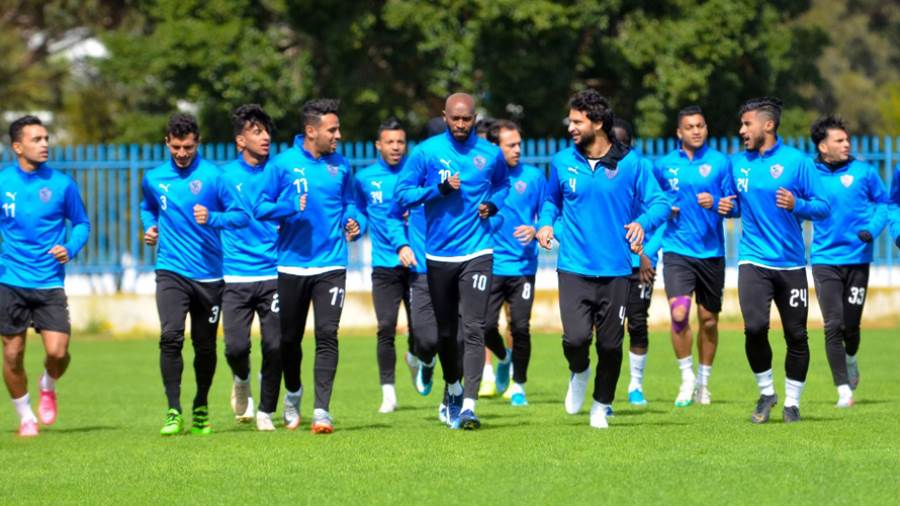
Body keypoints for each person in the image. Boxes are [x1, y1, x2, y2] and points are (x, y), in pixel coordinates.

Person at [536, 89, 668, 429]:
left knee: (610, 345)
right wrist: (545, 224)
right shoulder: (562, 161)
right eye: (570, 121)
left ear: (597, 123)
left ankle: (601, 405)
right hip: (573, 268)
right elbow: (551, 202)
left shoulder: (632, 164)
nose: (570, 128)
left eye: (577, 122)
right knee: (576, 339)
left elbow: (660, 203)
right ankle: (579, 371)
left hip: (616, 271)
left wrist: (642, 223)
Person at [394, 92, 509, 430]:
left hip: (478, 251)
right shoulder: (426, 152)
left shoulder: (490, 154)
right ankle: (453, 389)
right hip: (439, 255)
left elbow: (503, 185)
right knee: (446, 334)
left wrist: (493, 205)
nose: (461, 124)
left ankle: (469, 406)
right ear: (445, 117)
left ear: (475, 118)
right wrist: (438, 190)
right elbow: (402, 194)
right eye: (455, 118)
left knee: (473, 327)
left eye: (467, 119)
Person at [254, 98, 362, 434]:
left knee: (328, 335)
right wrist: (288, 206)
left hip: (331, 264)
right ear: (311, 131)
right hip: (292, 266)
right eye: (333, 130)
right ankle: (293, 392)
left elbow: (351, 203)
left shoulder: (341, 165)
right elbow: (260, 208)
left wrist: (354, 221)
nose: (338, 135)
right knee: (289, 341)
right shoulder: (282, 165)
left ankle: (321, 412)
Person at [718, 97, 829, 424]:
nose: (741, 130)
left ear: (768, 125)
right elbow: (735, 203)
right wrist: (726, 207)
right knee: (754, 328)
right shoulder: (736, 163)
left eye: (746, 124)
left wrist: (798, 205)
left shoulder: (798, 162)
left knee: (796, 335)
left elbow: (823, 207)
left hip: (791, 263)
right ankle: (766, 392)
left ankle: (792, 403)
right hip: (753, 260)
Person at [141, 113, 249, 436]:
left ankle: (200, 404)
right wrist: (150, 227)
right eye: (176, 147)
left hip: (209, 277)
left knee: (204, 346)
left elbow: (241, 216)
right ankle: (173, 410)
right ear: (167, 143)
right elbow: (148, 207)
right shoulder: (154, 178)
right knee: (170, 337)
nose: (182, 153)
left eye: (188, 147)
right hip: (171, 270)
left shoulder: (215, 177)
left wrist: (213, 217)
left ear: (197, 143)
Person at [0, 115, 90, 437]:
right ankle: (26, 416)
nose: (44, 144)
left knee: (57, 353)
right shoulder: (3, 183)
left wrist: (70, 247)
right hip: (10, 280)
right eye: (36, 139)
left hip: (49, 280)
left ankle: (48, 384)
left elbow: (82, 223)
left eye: (46, 139)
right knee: (13, 354)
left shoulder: (62, 184)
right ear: (17, 147)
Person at [653, 106, 733, 407]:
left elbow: (735, 204)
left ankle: (704, 382)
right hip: (677, 250)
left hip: (711, 252)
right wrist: (665, 208)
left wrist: (717, 203)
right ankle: (686, 378)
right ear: (679, 132)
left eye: (700, 125)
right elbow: (650, 200)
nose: (696, 131)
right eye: (690, 127)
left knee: (709, 321)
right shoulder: (663, 165)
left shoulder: (720, 162)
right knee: (678, 315)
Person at [808, 115, 889, 408]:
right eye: (839, 140)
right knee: (833, 324)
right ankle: (843, 390)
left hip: (857, 259)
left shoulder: (864, 172)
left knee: (850, 328)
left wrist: (873, 230)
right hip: (824, 259)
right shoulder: (809, 173)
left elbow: (884, 203)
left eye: (847, 140)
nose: (846, 144)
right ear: (823, 146)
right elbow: (797, 204)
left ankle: (851, 358)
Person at [219, 105, 283, 431]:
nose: (265, 137)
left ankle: (265, 412)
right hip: (235, 275)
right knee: (236, 347)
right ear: (240, 141)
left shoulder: (280, 172)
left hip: (274, 273)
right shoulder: (224, 177)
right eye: (257, 132)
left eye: (267, 131)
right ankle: (241, 379)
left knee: (275, 346)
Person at [353, 118, 419, 413]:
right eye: (390, 142)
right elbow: (359, 210)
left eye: (400, 142)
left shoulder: (416, 175)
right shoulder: (364, 179)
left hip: (417, 265)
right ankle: (388, 393)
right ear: (378, 145)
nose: (395, 147)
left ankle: (415, 357)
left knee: (421, 330)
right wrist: (356, 225)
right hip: (383, 265)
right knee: (385, 327)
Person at [480, 119, 546, 407]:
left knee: (520, 327)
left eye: (519, 144)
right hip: (489, 264)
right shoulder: (482, 177)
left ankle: (518, 385)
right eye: (511, 145)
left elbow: (549, 211)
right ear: (496, 147)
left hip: (522, 267)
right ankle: (503, 358)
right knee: (484, 325)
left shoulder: (533, 177)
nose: (518, 149)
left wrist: (536, 228)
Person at [611, 118, 665, 408]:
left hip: (641, 264)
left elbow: (661, 218)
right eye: (613, 143)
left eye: (623, 144)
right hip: (610, 264)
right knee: (609, 328)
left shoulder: (643, 169)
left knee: (638, 323)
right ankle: (606, 386)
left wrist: (646, 255)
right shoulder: (600, 171)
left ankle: (636, 385)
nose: (618, 150)